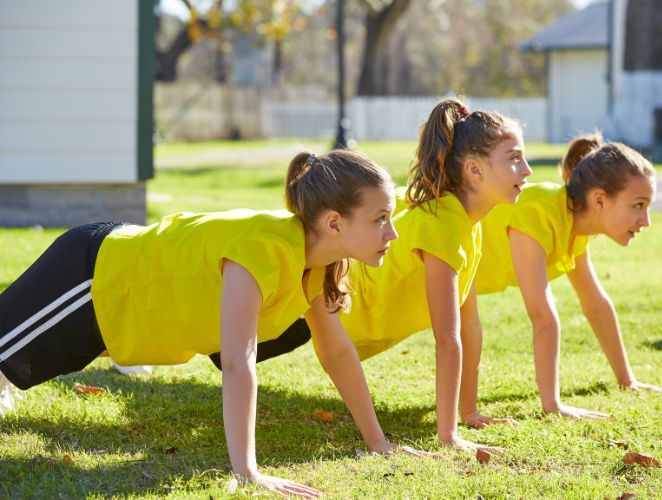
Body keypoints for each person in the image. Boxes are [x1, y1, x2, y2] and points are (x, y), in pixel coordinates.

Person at [0, 150, 432, 497]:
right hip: (93, 276)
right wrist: (248, 472)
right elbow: (238, 363)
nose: (392, 233)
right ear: (334, 223)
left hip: (122, 299)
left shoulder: (315, 264)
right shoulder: (262, 251)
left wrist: (378, 442)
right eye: (380, 218)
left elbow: (337, 352)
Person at [212, 98, 532, 446]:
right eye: (514, 158)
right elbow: (447, 340)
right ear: (474, 170)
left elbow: (468, 325)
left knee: (225, 343)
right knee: (218, 344)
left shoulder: (468, 225)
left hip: (341, 311)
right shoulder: (444, 228)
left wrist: (468, 411)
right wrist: (448, 435)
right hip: (333, 301)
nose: (527, 169)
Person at [466, 132, 662, 422]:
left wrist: (627, 380)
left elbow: (596, 305)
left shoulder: (575, 225)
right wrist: (553, 405)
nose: (646, 221)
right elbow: (542, 315)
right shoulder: (542, 209)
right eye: (638, 205)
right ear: (599, 199)